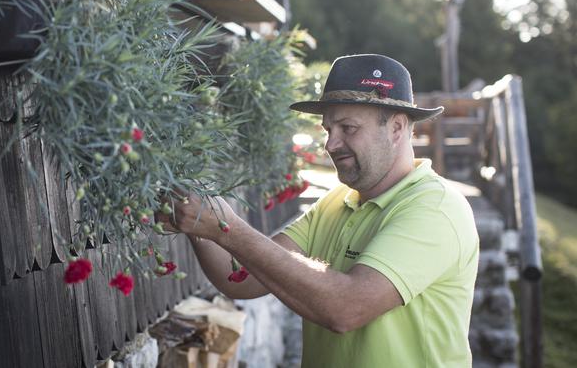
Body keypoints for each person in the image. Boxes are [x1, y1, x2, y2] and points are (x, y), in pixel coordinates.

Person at [156, 54, 480, 367]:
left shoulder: (435, 209)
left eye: (348, 128)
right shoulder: (338, 201)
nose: (331, 144)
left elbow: (346, 309)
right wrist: (198, 219)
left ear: (396, 128)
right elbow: (241, 277)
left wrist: (228, 228)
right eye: (328, 130)